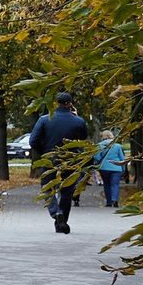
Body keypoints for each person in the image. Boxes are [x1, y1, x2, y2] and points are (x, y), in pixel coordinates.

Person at [26, 91, 94, 233]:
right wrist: (76, 117)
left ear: (55, 103)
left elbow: (33, 141)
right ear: (70, 104)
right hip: (70, 159)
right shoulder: (79, 121)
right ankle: (62, 217)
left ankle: (56, 213)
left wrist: (43, 151)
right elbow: (83, 137)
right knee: (67, 191)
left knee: (47, 188)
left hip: (50, 159)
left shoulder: (44, 119)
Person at [93, 129, 128, 208]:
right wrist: (123, 169)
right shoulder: (117, 146)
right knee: (115, 184)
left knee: (106, 184)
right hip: (116, 168)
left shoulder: (99, 145)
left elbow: (97, 157)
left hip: (104, 168)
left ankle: (108, 202)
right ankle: (115, 199)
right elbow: (122, 158)